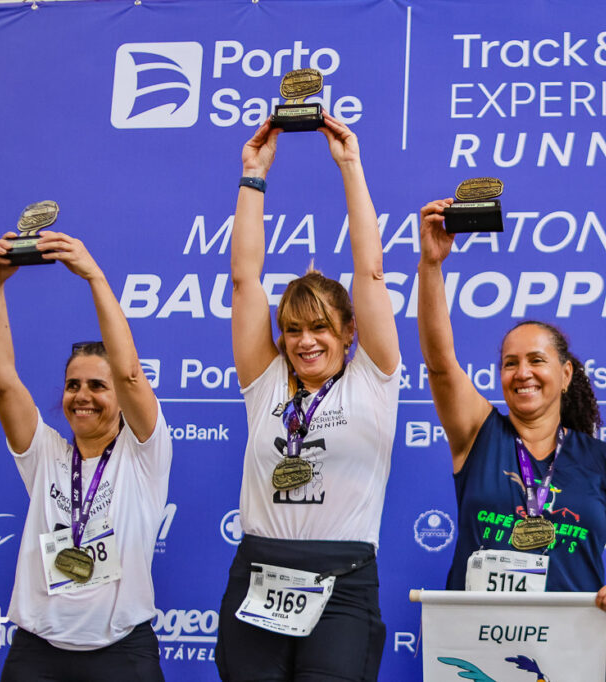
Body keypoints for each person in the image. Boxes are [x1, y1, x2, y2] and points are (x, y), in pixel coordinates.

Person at [417, 199, 606, 676]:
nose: (522, 373)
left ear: (566, 374)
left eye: (536, 360)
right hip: (476, 650)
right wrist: (431, 265)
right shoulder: (477, 434)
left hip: (569, 656)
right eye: (510, 363)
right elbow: (441, 363)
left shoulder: (601, 461)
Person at [216, 113, 400, 682]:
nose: (305, 341)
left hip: (342, 580)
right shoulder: (266, 379)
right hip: (259, 573)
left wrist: (350, 165)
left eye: (320, 327)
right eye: (293, 329)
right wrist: (253, 175)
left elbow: (370, 273)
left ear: (348, 332)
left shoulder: (374, 377)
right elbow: (245, 280)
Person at [0, 230, 172, 681]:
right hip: (38, 654)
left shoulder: (143, 453)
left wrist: (94, 277)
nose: (82, 396)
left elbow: (130, 373)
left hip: (122, 654)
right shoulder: (45, 453)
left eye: (97, 386)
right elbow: (4, 383)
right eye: (73, 385)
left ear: (121, 398)